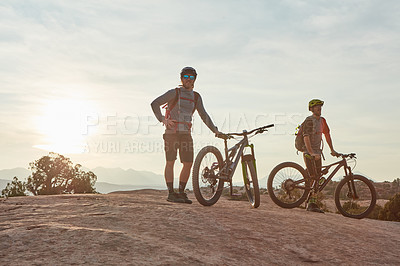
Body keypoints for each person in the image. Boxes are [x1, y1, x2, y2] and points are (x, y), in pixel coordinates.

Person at [151, 67, 220, 203]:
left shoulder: (196, 97)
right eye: (186, 77)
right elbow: (155, 103)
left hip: (186, 134)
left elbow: (203, 115)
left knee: (188, 163)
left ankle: (181, 193)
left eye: (191, 78)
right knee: (170, 161)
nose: (189, 80)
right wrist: (163, 120)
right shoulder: (174, 93)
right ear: (181, 79)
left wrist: (215, 130)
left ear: (195, 80)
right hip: (171, 133)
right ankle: (171, 193)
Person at [301, 99, 338, 213]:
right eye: (317, 107)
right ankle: (310, 204)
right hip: (309, 153)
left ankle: (311, 203)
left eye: (320, 107)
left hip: (317, 153)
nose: (319, 108)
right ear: (311, 109)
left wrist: (332, 150)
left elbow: (327, 135)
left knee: (318, 178)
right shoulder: (309, 120)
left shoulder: (322, 121)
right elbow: (305, 137)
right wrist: (311, 152)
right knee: (314, 177)